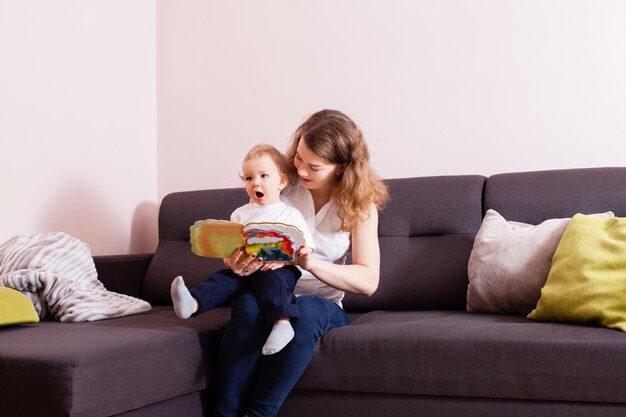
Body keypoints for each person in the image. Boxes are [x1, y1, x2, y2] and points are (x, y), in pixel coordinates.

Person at [215, 109, 389, 417]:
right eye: (298, 158)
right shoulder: (282, 184)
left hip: (322, 303)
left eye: (314, 166)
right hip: (271, 291)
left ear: (342, 167)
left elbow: (368, 280)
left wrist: (309, 264)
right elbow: (246, 232)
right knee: (250, 306)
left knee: (306, 309)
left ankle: (259, 414)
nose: (301, 170)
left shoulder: (359, 204)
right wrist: (239, 260)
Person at [171, 144, 315, 355]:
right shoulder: (240, 214)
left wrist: (286, 260)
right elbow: (231, 248)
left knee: (273, 279)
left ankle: (282, 323)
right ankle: (193, 303)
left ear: (281, 181)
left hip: (279, 269)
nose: (255, 182)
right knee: (223, 278)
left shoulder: (290, 215)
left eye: (264, 176)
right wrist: (231, 260)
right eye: (248, 178)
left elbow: (307, 247)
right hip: (247, 271)